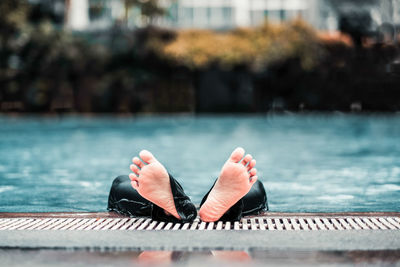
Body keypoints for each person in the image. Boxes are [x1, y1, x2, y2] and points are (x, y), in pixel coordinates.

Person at [108, 147, 268, 223]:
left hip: (147, 197)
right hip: (237, 197)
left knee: (120, 183)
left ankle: (165, 209)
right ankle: (230, 209)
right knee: (256, 186)